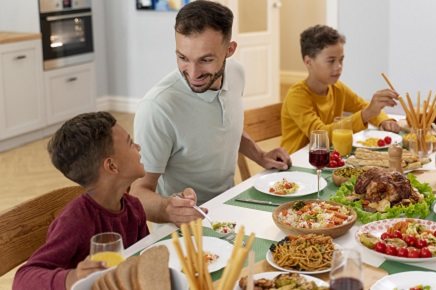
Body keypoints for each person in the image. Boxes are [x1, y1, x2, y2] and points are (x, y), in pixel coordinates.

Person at [131, 0, 291, 222]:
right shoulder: (157, 108)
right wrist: (169, 209)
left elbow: (225, 126)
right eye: (183, 58)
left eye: (206, 60)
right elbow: (138, 191)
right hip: (183, 229)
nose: (193, 73)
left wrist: (260, 156)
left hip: (231, 205)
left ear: (229, 50)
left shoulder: (236, 73)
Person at [13, 112, 149, 290]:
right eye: (131, 143)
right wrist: (73, 277)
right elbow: (23, 279)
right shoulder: (75, 221)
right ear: (112, 166)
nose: (138, 147)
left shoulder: (133, 207)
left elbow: (146, 257)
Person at [281, 25, 401, 154]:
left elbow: (362, 105)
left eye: (341, 60)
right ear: (308, 62)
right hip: (295, 164)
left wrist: (384, 120)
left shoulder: (337, 88)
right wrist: (366, 114)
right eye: (331, 61)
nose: (338, 66)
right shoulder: (297, 96)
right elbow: (321, 137)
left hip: (327, 158)